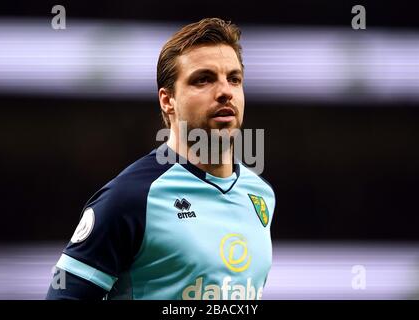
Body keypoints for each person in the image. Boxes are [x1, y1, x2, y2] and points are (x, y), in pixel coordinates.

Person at [46, 17, 275, 300]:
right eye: (203, 79)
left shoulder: (261, 196)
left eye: (234, 79)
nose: (225, 91)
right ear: (168, 100)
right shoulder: (130, 198)